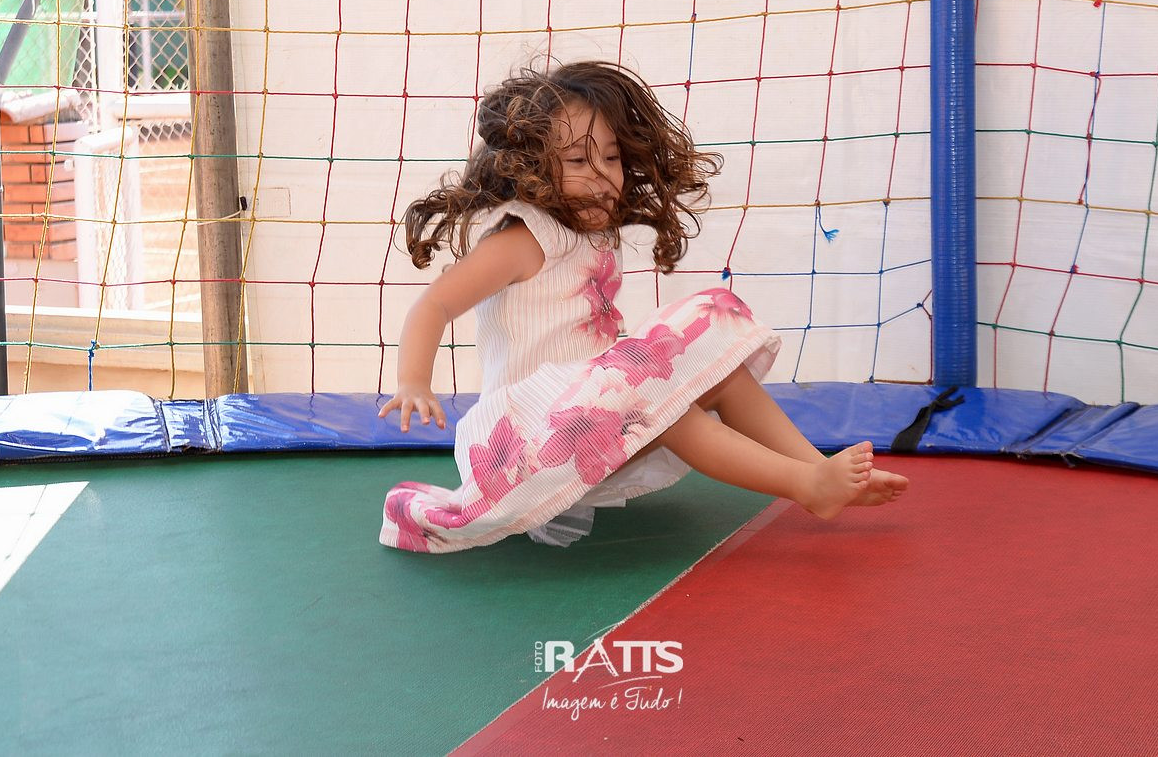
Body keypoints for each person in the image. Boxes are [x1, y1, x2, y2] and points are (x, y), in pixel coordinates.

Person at [378, 61, 908, 553]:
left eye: (611, 157)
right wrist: (413, 382)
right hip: (529, 444)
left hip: (594, 423)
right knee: (657, 400)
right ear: (531, 167)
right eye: (578, 160)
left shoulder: (591, 233)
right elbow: (434, 304)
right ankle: (805, 485)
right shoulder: (522, 239)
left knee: (716, 374)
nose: (602, 174)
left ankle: (819, 471)